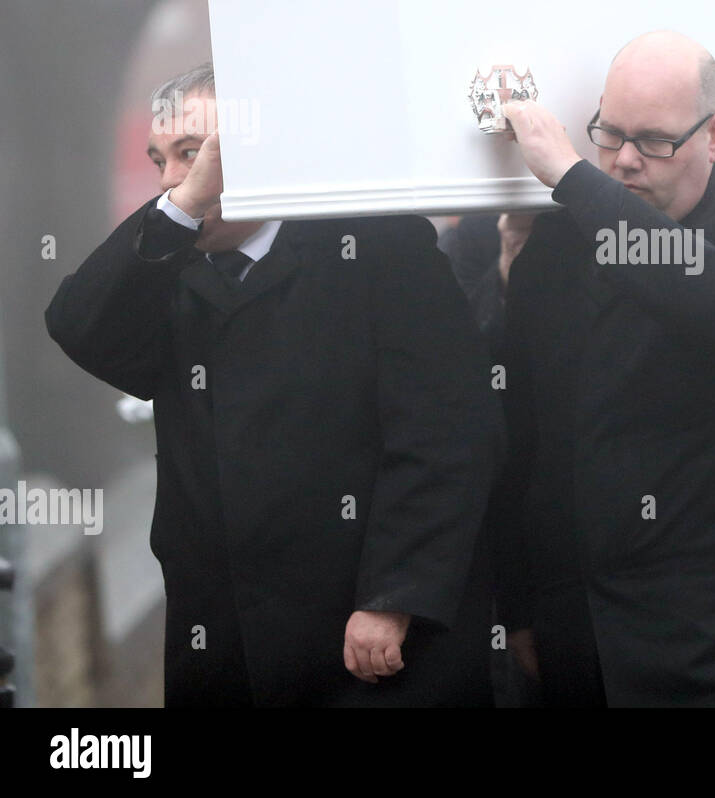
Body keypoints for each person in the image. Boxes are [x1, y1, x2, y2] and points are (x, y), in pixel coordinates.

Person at [46, 63, 503, 706]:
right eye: (160, 161)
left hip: (363, 640)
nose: (174, 180)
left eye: (192, 155)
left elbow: (448, 434)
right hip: (225, 640)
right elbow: (78, 327)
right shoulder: (168, 272)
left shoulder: (375, 247)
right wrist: (177, 212)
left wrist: (393, 598)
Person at [493, 30, 715, 707]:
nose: (624, 161)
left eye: (654, 141)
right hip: (589, 643)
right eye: (608, 133)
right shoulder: (557, 254)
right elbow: (527, 444)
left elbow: (713, 291)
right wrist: (524, 608)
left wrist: (574, 178)